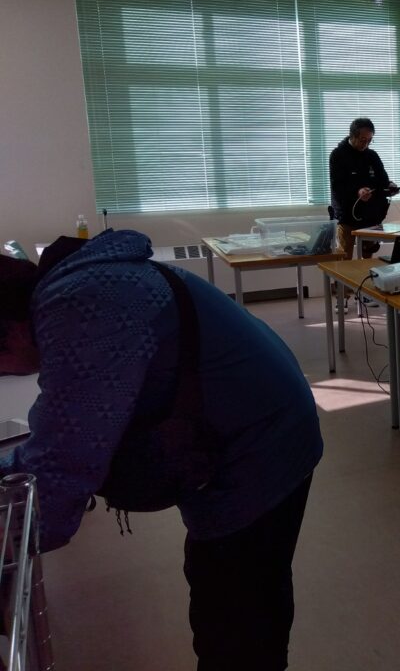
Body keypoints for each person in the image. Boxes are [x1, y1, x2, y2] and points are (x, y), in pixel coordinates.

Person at [0, 229, 323, 671]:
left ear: (9, 333)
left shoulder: (81, 307)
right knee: (242, 589)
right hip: (262, 421)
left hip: (261, 445)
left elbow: (59, 476)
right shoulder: (79, 284)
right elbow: (66, 435)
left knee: (235, 609)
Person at [329, 117, 400, 259]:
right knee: (344, 259)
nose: (366, 144)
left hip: (370, 216)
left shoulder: (372, 155)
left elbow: (383, 179)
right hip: (346, 216)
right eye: (363, 140)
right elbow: (338, 186)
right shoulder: (338, 155)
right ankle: (343, 275)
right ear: (352, 136)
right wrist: (358, 191)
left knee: (368, 259)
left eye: (369, 140)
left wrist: (389, 187)